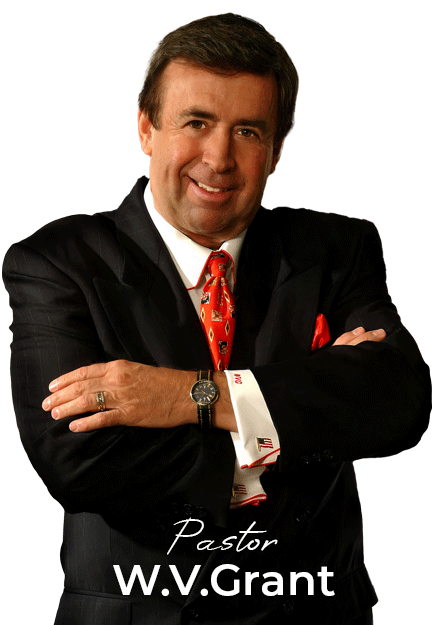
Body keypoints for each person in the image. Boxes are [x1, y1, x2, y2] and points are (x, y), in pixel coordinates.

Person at [2, 13, 430, 625]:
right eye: (197, 123)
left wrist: (186, 397)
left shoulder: (337, 250)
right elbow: (80, 463)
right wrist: (305, 418)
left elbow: (398, 402)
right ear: (147, 128)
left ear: (276, 150)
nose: (219, 158)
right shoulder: (56, 262)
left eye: (248, 131)